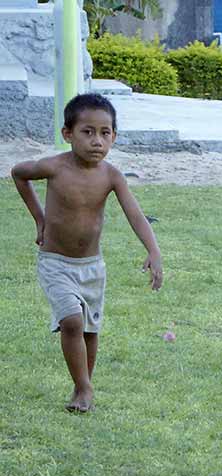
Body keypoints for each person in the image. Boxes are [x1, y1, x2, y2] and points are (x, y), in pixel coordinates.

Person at [11, 93, 162, 413]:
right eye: (87, 131)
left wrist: (153, 250)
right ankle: (82, 388)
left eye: (105, 133)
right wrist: (39, 218)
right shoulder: (53, 167)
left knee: (89, 330)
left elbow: (135, 214)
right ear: (67, 134)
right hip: (56, 263)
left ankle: (84, 387)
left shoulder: (111, 176)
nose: (97, 141)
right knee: (71, 321)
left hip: (92, 267)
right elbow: (19, 173)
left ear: (114, 137)